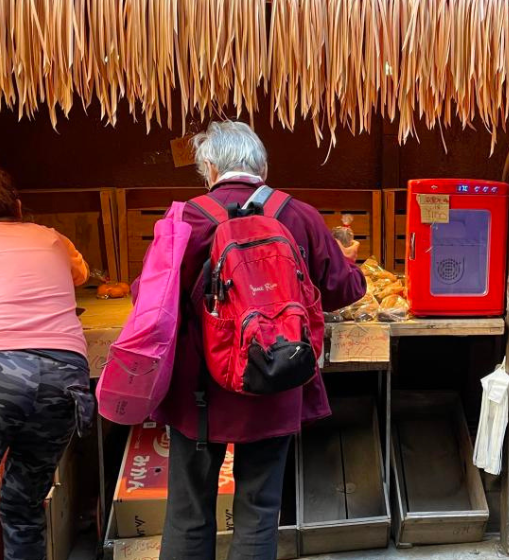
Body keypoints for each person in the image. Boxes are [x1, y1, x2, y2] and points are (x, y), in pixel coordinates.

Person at [156, 121, 366, 560]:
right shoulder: (299, 214)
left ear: (208, 168)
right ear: (263, 167)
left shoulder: (184, 218)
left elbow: (150, 299)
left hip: (200, 395)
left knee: (188, 510)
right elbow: (346, 290)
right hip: (275, 377)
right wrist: (348, 263)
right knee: (259, 510)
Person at [0, 155, 94, 560]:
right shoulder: (52, 237)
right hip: (63, 375)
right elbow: (81, 275)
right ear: (16, 206)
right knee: (24, 506)